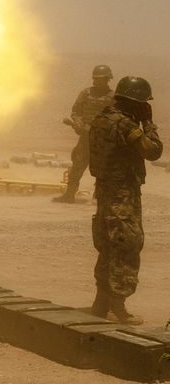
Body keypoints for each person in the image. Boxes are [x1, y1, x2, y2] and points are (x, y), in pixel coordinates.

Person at [87, 76, 161, 325]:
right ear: (134, 102)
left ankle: (100, 304)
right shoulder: (125, 125)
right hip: (123, 195)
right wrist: (148, 122)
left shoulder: (101, 120)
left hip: (105, 191)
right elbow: (153, 151)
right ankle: (119, 307)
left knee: (108, 246)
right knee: (126, 245)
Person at [54, 65, 114, 203]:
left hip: (102, 141)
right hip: (85, 139)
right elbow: (76, 111)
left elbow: (114, 118)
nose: (99, 82)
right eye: (97, 79)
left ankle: (99, 198)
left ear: (108, 79)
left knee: (102, 170)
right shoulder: (86, 93)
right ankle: (69, 195)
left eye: (102, 79)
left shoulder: (112, 97)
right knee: (77, 166)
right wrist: (78, 122)